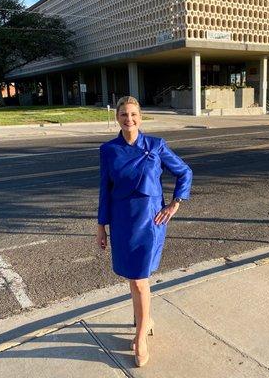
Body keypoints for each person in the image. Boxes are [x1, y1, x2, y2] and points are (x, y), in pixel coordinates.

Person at [96, 96, 192, 367]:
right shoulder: (108, 150)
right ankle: (145, 319)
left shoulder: (156, 145)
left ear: (141, 116)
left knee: (140, 279)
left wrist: (175, 203)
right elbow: (106, 190)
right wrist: (101, 225)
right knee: (133, 279)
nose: (129, 120)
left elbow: (184, 172)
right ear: (117, 117)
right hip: (122, 221)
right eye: (124, 115)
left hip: (150, 221)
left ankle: (140, 337)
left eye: (134, 114)